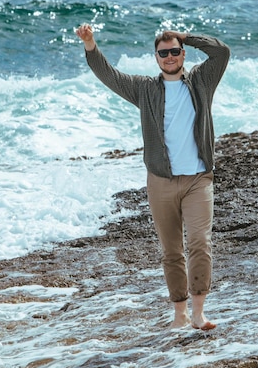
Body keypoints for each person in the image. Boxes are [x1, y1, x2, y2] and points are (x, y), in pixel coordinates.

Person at [75, 24, 230, 330]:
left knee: (200, 242)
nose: (170, 56)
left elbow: (221, 52)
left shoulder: (201, 81)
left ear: (183, 54)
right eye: (164, 53)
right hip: (161, 181)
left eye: (175, 51)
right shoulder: (145, 89)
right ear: (156, 57)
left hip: (199, 178)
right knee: (171, 251)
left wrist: (185, 36)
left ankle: (199, 313)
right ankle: (180, 314)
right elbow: (110, 75)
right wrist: (91, 45)